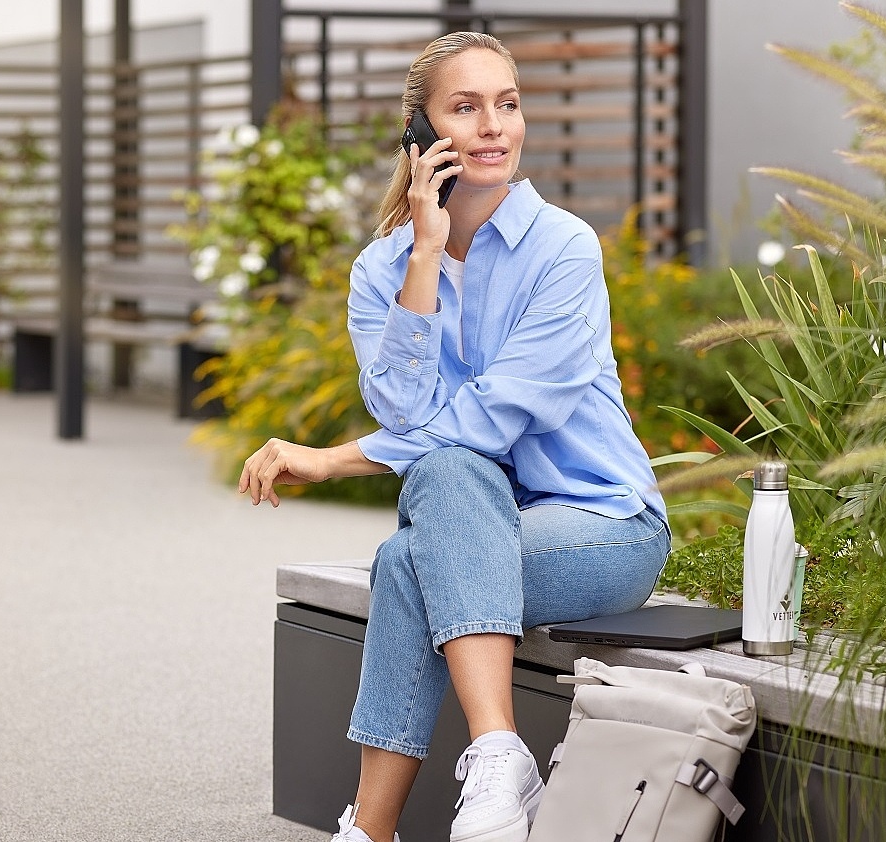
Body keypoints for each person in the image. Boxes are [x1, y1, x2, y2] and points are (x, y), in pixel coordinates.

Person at [239, 31, 669, 842]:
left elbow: (499, 414)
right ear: (421, 134)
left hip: (607, 528)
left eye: (506, 104)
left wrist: (332, 461)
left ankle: (372, 828)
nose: (493, 127)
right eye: (465, 108)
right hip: (474, 524)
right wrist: (427, 253)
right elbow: (406, 412)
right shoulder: (384, 270)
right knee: (422, 535)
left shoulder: (563, 249)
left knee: (434, 509)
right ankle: (497, 763)